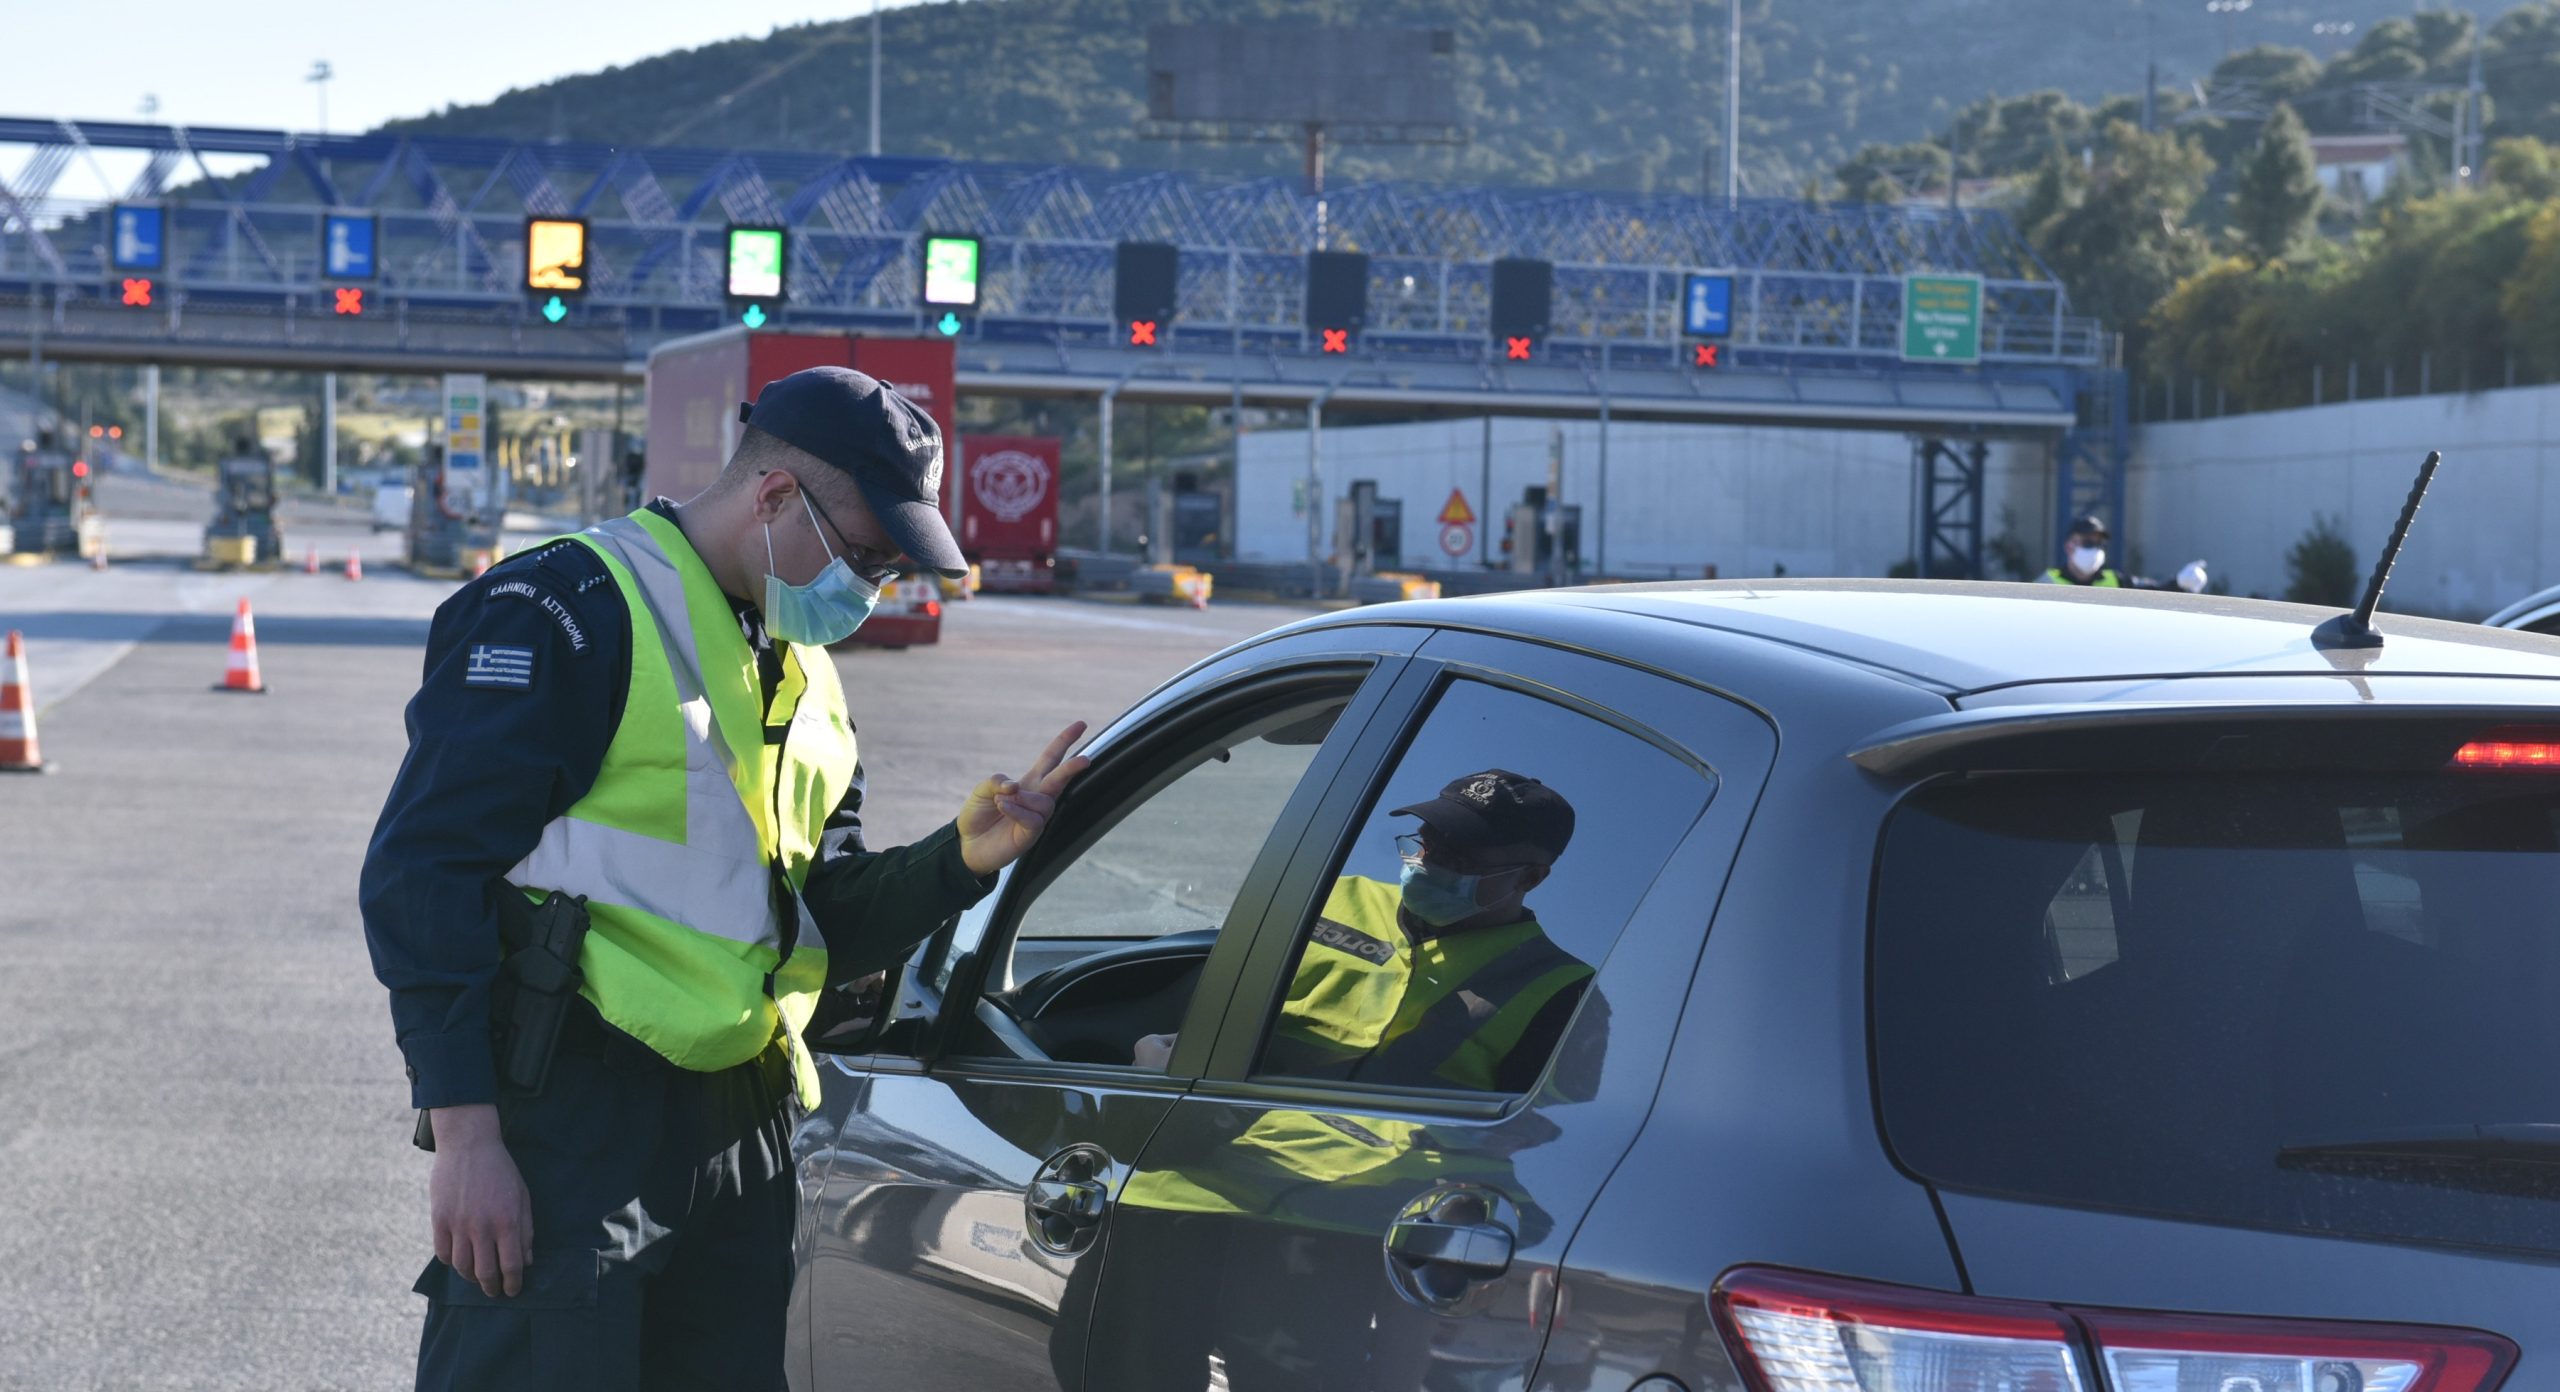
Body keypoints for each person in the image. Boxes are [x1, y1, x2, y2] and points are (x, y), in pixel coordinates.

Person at [360, 366, 1090, 1392]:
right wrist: (466, 1134)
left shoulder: (797, 670)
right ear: (776, 496)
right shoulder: (567, 610)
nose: (871, 588)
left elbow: (814, 913)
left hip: (739, 1126)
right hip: (575, 1113)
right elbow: (420, 873)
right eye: (865, 556)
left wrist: (959, 862)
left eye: (889, 568)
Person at [1134, 767, 1589, 1094]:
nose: (1426, 864)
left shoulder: (1558, 990)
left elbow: (1534, 1139)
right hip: (1218, 1155)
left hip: (1377, 1207)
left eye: (1459, 859)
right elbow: (1212, 1015)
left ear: (1529, 879)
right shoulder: (1322, 899)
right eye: (1425, 843)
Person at [2040, 513, 2208, 593]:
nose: (2095, 548)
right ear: (2069, 546)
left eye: (2099, 543)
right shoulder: (2046, 582)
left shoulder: (2116, 581)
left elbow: (2155, 592)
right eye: (2088, 542)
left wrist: (2179, 582)